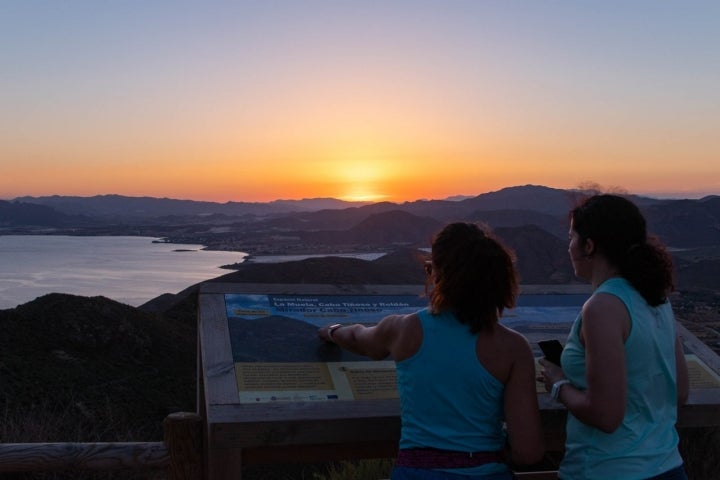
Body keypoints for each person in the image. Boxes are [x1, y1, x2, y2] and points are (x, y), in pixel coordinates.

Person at [318, 222, 544, 479]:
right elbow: (528, 452)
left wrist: (332, 331)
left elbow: (359, 338)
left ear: (438, 274)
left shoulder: (403, 329)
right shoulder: (514, 348)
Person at [539, 194, 690, 480]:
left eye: (572, 237)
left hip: (607, 469)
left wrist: (558, 384)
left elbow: (606, 417)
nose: (568, 246)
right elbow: (679, 392)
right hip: (668, 466)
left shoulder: (603, 307)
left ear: (589, 246)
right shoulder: (656, 299)